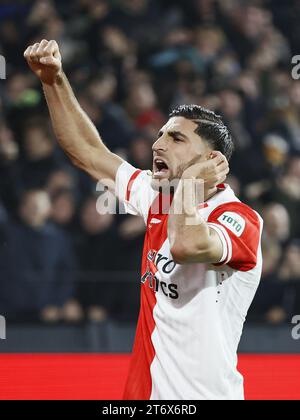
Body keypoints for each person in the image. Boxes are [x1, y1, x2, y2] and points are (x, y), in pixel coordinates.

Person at [24, 40, 263, 400]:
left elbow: (185, 245)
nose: (157, 144)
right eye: (160, 134)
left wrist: (191, 186)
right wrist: (53, 80)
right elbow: (88, 152)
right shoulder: (158, 194)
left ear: (210, 159)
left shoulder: (239, 219)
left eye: (176, 138)